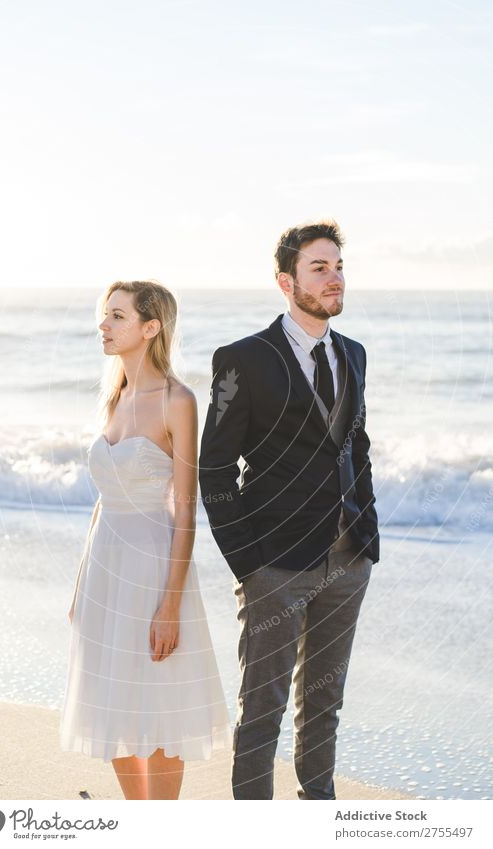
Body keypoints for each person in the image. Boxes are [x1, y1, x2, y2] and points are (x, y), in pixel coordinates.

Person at [198, 219, 379, 800]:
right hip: (273, 562)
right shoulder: (242, 360)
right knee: (263, 709)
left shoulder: (353, 353)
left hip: (347, 558)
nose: (335, 279)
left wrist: (367, 530)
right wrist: (247, 563)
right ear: (286, 281)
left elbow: (357, 446)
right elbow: (215, 469)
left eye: (339, 267)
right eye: (319, 268)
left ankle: (317, 813)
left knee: (326, 700)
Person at [60, 280, 232, 800]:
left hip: (152, 566)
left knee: (154, 708)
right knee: (109, 703)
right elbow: (103, 498)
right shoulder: (115, 396)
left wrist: (170, 604)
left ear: (150, 327)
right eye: (104, 315)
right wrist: (77, 588)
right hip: (103, 568)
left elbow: (186, 510)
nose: (104, 325)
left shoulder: (177, 400)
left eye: (117, 316)